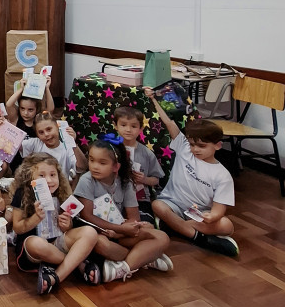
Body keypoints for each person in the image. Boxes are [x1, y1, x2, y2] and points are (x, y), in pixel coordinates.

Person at [147, 87, 239, 257]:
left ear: (218, 145)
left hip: (198, 214)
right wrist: (153, 99)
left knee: (227, 225)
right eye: (192, 144)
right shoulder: (184, 148)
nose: (195, 149)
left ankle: (174, 227)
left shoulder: (223, 175)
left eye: (202, 146)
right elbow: (169, 123)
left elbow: (219, 208)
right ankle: (198, 238)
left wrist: (212, 217)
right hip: (172, 205)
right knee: (157, 205)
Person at [75, 137, 172, 281]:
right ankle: (145, 257)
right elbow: (87, 216)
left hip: (119, 235)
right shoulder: (86, 180)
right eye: (91, 160)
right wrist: (119, 229)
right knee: (100, 244)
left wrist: (120, 232)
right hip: (100, 234)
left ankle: (123, 268)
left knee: (161, 236)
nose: (94, 166)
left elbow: (134, 218)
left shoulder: (125, 182)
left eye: (102, 163)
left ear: (116, 167)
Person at [10, 154, 100, 294]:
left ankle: (55, 277)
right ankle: (77, 263)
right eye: (41, 175)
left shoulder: (61, 193)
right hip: (35, 247)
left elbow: (68, 228)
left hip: (57, 243)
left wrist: (67, 225)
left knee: (90, 232)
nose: (49, 180)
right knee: (37, 243)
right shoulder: (22, 193)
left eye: (53, 175)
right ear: (30, 177)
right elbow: (17, 228)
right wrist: (35, 218)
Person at [113, 104, 164, 224]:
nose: (128, 130)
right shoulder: (109, 149)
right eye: (123, 125)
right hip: (113, 198)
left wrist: (144, 179)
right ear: (115, 126)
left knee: (144, 226)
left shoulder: (146, 153)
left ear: (141, 129)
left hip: (140, 200)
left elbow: (156, 179)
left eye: (133, 126)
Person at [20, 112, 87, 179]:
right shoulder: (36, 143)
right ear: (37, 135)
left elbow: (82, 167)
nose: (46, 134)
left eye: (49, 129)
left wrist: (73, 143)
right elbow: (16, 144)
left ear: (57, 127)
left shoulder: (67, 148)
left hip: (60, 185)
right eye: (41, 132)